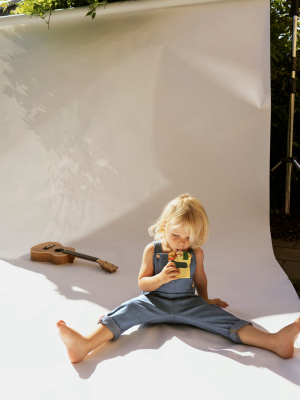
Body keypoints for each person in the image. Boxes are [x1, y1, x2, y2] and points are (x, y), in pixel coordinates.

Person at [57, 193, 300, 363]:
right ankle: (85, 344)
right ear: (164, 226)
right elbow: (142, 283)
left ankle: (274, 341)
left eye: (189, 239)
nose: (182, 243)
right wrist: (161, 278)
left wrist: (206, 300)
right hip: (154, 301)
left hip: (188, 302)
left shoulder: (195, 253)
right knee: (124, 312)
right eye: (176, 236)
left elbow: (201, 278)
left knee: (225, 320)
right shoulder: (152, 250)